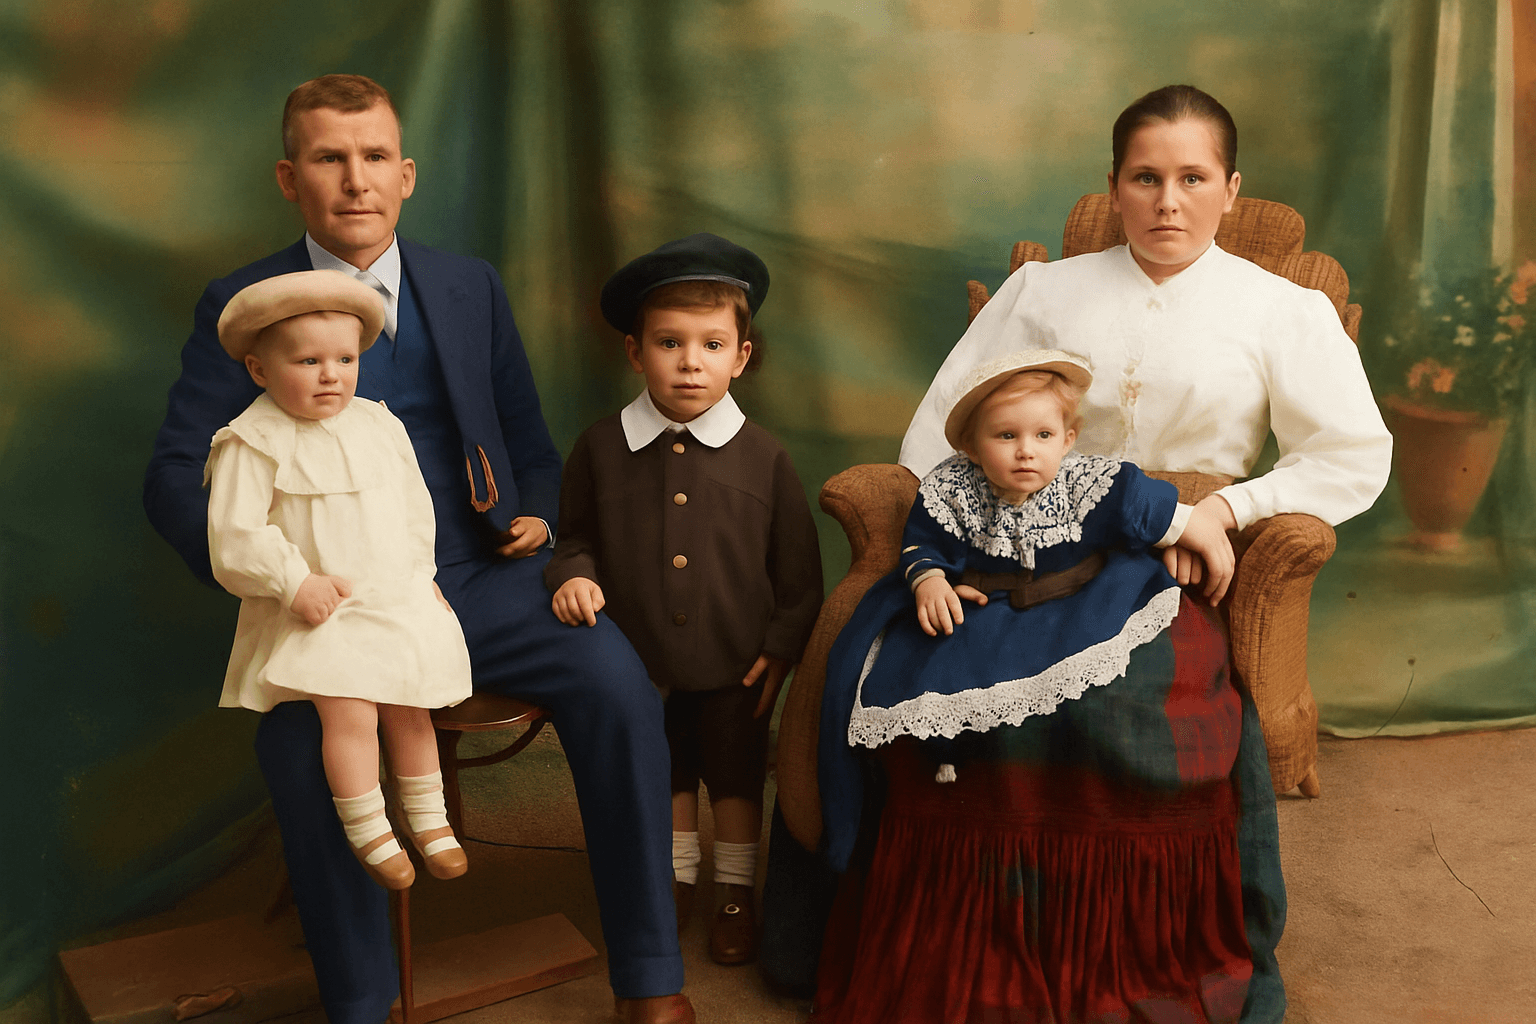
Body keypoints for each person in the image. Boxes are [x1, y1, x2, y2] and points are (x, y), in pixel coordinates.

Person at [787, 84, 1392, 1024]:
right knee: (931, 687)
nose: (1167, 202)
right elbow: (936, 438)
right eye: (1145, 178)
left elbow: (1352, 455)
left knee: (1130, 701)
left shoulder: (1280, 309)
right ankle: (969, 952)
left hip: (1167, 556)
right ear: (1113, 186)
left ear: (1231, 189)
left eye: (1193, 179)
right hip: (1003, 544)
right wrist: (943, 554)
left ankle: (1119, 950)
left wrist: (1228, 509)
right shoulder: (1046, 292)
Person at [144, 74, 694, 1024]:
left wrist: (534, 515)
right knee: (301, 746)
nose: (353, 182)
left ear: (405, 175)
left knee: (614, 681)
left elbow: (527, 440)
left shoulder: (467, 285)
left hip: (478, 581)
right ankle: (362, 1002)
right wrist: (270, 580)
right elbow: (174, 474)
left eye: (371, 160)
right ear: (290, 177)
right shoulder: (241, 305)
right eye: (327, 159)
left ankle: (649, 978)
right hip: (330, 599)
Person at [817, 349, 1248, 1023]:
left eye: (1043, 436)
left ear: (1069, 439)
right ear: (970, 445)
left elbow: (1155, 510)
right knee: (917, 683)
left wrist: (1198, 528)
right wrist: (928, 578)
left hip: (1087, 602)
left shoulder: (1091, 485)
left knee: (1127, 688)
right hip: (991, 607)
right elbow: (921, 545)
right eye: (1006, 436)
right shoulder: (952, 490)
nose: (1026, 453)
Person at [546, 234, 824, 967]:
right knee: (662, 773)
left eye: (711, 344)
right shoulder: (600, 448)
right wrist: (570, 575)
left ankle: (735, 890)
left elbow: (798, 572)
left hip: (737, 663)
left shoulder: (764, 456)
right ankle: (674, 880)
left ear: (742, 355)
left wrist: (781, 646)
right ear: (636, 353)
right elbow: (570, 538)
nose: (690, 362)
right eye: (670, 343)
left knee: (734, 777)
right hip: (637, 665)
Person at [208, 270, 472, 891]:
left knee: (411, 706)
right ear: (260, 370)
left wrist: (420, 576)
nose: (331, 374)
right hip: (322, 608)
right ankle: (369, 827)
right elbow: (235, 535)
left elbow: (414, 509)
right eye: (308, 360)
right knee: (350, 712)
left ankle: (430, 822)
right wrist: (295, 581)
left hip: (393, 595)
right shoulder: (253, 440)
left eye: (345, 359)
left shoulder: (380, 425)